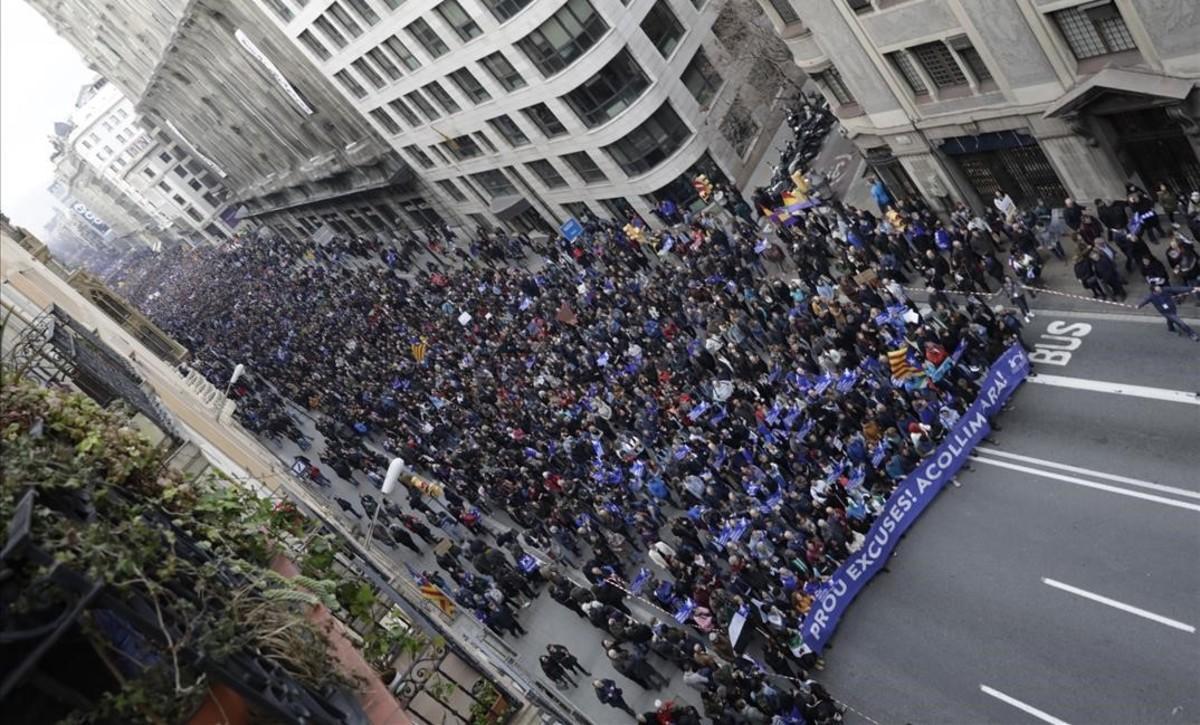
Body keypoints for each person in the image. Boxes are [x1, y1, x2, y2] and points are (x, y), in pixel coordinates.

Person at [1135, 285, 1200, 340]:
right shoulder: (1151, 297)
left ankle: (1171, 328)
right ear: (1154, 291)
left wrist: (1193, 288)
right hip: (1165, 312)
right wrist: (1139, 306)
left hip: (1172, 308)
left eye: (1160, 288)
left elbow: (1178, 289)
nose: (1161, 290)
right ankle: (1192, 334)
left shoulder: (1164, 289)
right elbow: (1144, 301)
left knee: (1170, 319)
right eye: (1158, 290)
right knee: (1180, 322)